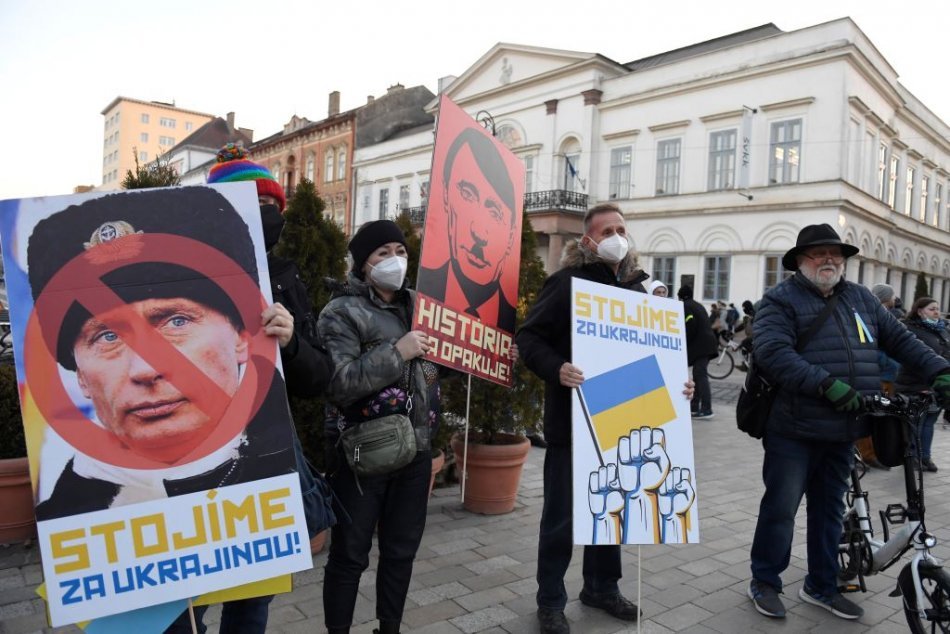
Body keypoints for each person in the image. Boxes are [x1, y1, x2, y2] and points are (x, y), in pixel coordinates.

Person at [27, 187, 296, 521]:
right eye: (108, 336)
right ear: (80, 374)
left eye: (176, 321)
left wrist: (292, 344)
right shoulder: (66, 519)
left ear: (241, 334)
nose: (145, 368)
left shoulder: (287, 476)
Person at [166, 146, 340, 634]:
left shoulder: (283, 279)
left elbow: (316, 379)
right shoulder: (174, 275)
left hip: (262, 464)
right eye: (249, 203)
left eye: (272, 207)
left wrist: (293, 342)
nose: (266, 216)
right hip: (188, 465)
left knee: (252, 600)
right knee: (187, 604)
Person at [747, 224, 950, 622]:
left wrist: (940, 368)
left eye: (835, 254)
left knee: (828, 512)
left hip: (844, 428)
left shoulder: (859, 298)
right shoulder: (780, 300)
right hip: (793, 428)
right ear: (800, 261)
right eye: (818, 253)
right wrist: (827, 385)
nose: (829, 260)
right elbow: (772, 352)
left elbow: (901, 341)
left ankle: (822, 586)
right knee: (781, 508)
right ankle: (765, 581)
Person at [516, 202, 694, 634]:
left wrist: (679, 383)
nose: (617, 236)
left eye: (621, 228)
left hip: (625, 417)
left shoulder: (640, 290)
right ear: (588, 241)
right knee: (561, 517)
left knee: (613, 508)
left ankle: (600, 587)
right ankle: (551, 600)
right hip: (573, 419)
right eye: (607, 230)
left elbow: (658, 350)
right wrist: (556, 367)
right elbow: (529, 336)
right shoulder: (565, 284)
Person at [318, 219, 441, 634]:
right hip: (360, 451)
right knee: (349, 555)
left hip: (416, 448)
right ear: (362, 263)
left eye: (401, 251)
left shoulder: (420, 307)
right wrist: (397, 352)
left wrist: (473, 359)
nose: (394, 260)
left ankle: (389, 627)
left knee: (401, 551)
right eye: (382, 253)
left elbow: (430, 374)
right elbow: (338, 384)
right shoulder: (341, 312)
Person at [416, 127, 518, 333]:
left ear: (511, 236)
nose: (479, 234)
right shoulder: (416, 300)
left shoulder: (511, 321)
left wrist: (511, 357)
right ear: (445, 194)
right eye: (467, 194)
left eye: (496, 213)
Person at [895, 297, 950, 473]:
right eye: (932, 309)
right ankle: (911, 457)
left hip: (937, 385)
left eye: (937, 308)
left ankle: (925, 456)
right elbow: (911, 358)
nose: (936, 312)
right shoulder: (911, 329)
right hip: (915, 384)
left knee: (929, 422)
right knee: (915, 423)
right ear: (920, 311)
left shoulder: (942, 330)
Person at [677, 286, 718, 419]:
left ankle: (707, 409)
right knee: (698, 374)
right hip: (707, 344)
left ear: (680, 296)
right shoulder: (698, 305)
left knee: (700, 375)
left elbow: (690, 325)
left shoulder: (685, 306)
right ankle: (694, 407)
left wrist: (684, 342)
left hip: (701, 346)